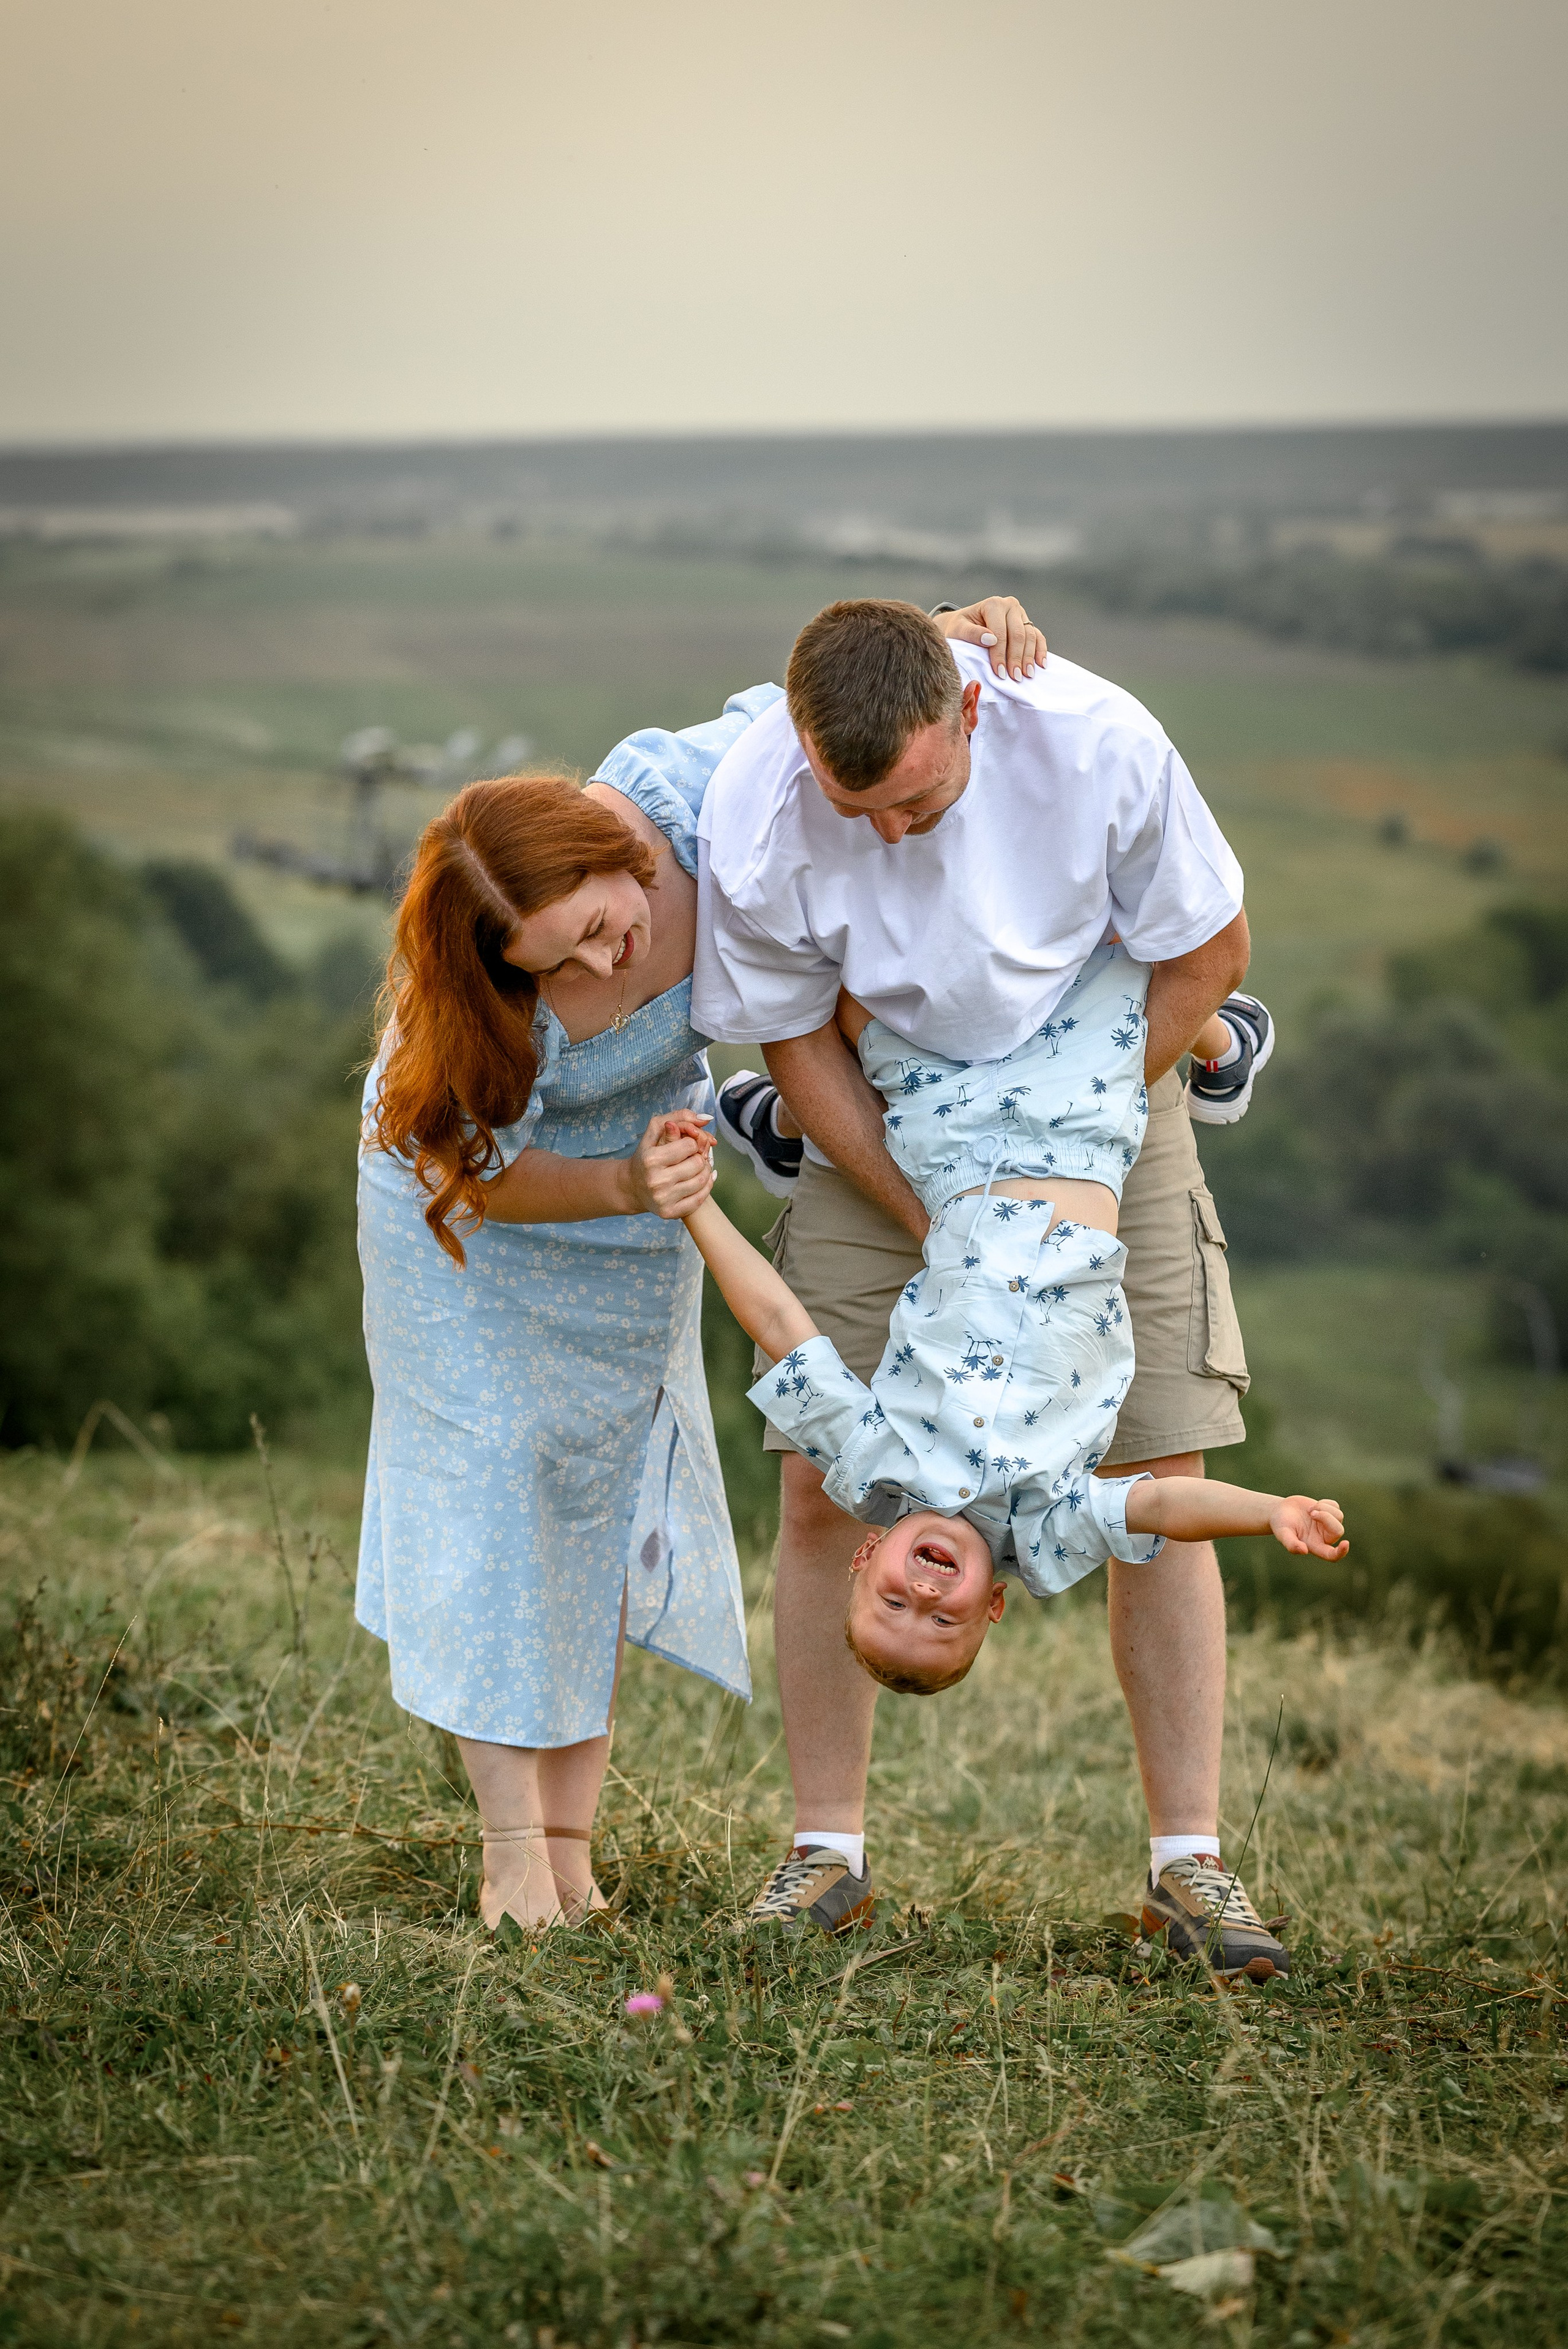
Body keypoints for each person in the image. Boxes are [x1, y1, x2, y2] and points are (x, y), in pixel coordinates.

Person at [353, 596, 1043, 1936]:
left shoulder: (685, 793)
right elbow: (464, 1169)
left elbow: (818, 699)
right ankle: (510, 1867)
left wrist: (950, 621)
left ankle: (572, 1854)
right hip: (479, 1222)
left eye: (602, 923)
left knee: (596, 1507)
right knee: (499, 1498)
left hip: (640, 1206)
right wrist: (617, 1179)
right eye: (559, 964)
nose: (605, 958)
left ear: (615, 846)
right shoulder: (470, 1013)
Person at [693, 596, 1291, 1978]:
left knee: (1158, 1460)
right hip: (877, 1113)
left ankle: (1188, 1868)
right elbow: (791, 1028)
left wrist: (1056, 1142)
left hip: (1095, 1097)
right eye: (861, 811)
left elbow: (1207, 945)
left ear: (968, 709)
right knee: (814, 1476)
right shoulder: (759, 812)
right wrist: (936, 1208)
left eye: (915, 799)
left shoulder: (1095, 741)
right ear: (796, 744)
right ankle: (822, 1858)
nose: (891, 833)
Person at [664, 944, 1344, 1749]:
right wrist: (1271, 1514)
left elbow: (780, 1326)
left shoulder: (870, 1463)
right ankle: (1227, 1040)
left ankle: (782, 1118)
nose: (922, 1592)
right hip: (1083, 1136)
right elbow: (1161, 1503)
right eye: (942, 1617)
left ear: (866, 1559)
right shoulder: (1048, 1532)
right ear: (992, 1605)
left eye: (894, 1602)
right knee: (1116, 954)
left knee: (873, 992)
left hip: (953, 1153)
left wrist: (694, 1208)